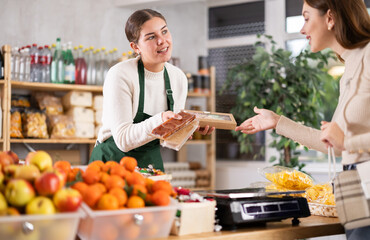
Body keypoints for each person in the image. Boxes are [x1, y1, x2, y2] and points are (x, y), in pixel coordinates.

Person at [236, 0, 370, 239]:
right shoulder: (349, 66)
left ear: (330, 18)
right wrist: (277, 122)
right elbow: (333, 144)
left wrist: (348, 142)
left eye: (307, 18)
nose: (302, 29)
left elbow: (344, 142)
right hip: (353, 184)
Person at [90, 9, 214, 171]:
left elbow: (167, 140)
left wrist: (188, 128)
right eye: (151, 37)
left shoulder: (178, 78)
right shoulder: (120, 74)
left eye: (164, 31)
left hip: (150, 165)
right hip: (112, 163)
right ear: (135, 47)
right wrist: (162, 118)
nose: (162, 41)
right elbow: (124, 140)